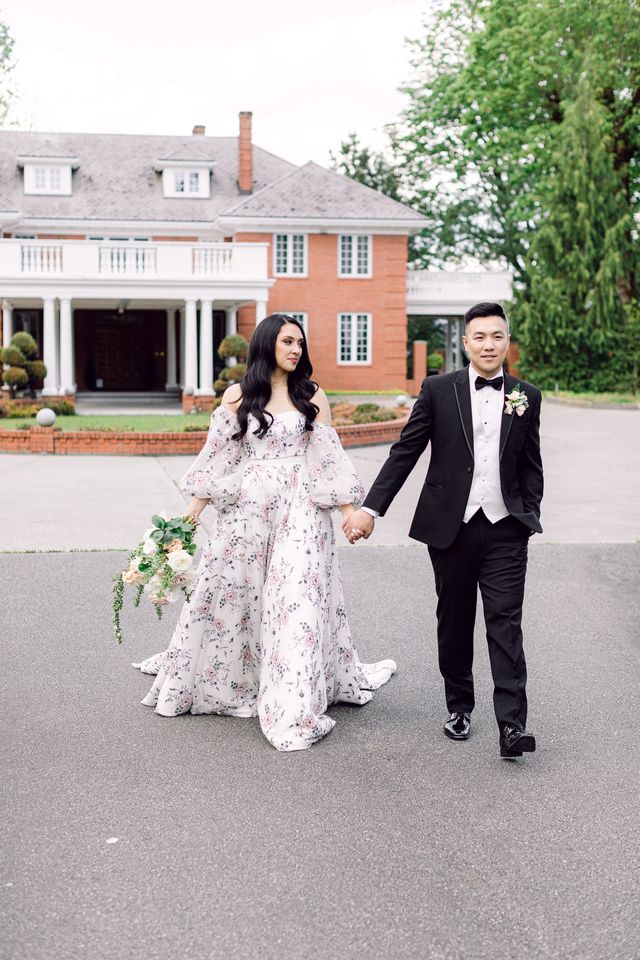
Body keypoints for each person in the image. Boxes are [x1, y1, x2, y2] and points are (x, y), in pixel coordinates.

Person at [133, 314, 396, 752]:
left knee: (296, 598)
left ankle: (293, 702)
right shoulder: (238, 396)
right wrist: (187, 518)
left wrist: (350, 511)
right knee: (243, 594)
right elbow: (217, 458)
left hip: (302, 511)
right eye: (287, 341)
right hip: (247, 511)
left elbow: (326, 457)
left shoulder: (312, 395)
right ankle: (244, 678)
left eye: (300, 343)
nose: (295, 349)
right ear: (267, 343)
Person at [344, 302, 543, 760]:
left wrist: (528, 513)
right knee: (454, 622)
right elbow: (405, 452)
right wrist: (372, 509)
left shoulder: (526, 396)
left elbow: (532, 465)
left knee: (505, 624)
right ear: (465, 342)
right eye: (480, 336)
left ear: (507, 341)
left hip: (506, 529)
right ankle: (459, 707)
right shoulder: (438, 389)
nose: (488, 344)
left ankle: (512, 726)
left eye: (497, 336)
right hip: (449, 527)